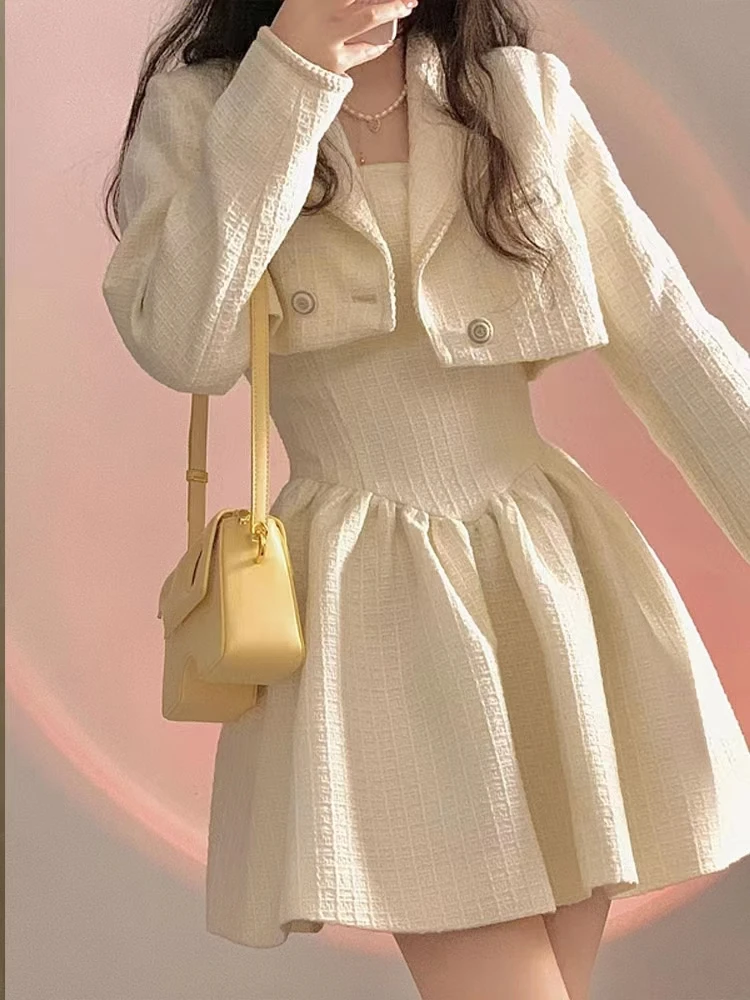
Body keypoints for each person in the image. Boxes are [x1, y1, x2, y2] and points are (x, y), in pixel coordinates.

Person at [100, 1, 750, 997]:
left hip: (547, 580)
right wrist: (292, 70)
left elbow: (666, 332)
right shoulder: (208, 107)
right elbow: (184, 343)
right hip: (372, 606)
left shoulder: (516, 95)